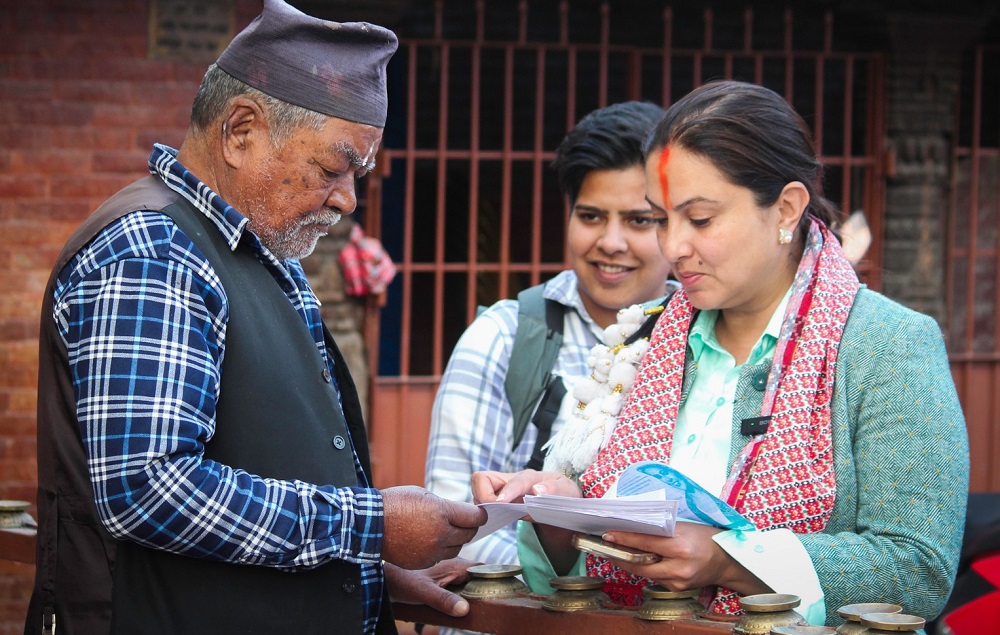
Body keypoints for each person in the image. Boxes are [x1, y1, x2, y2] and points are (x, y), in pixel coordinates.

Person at [26, 2, 486, 633]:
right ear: (241, 131)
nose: (347, 199)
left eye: (359, 174)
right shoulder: (154, 252)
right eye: (331, 168)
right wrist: (371, 525)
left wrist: (362, 567)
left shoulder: (262, 249)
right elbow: (149, 489)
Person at [471, 80, 969, 627]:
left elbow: (919, 569)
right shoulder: (649, 339)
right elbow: (574, 579)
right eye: (662, 219)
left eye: (700, 219)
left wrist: (727, 561)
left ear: (785, 209)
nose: (673, 247)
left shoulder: (887, 346)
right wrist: (560, 511)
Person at [425, 100, 674, 578]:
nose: (611, 242)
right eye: (592, 216)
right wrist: (594, 578)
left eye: (640, 221)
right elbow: (450, 519)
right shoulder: (506, 335)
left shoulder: (709, 339)